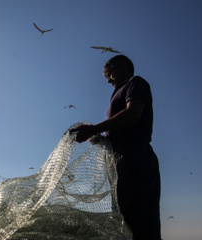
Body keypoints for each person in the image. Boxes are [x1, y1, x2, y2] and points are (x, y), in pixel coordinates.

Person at [70, 55, 161, 240]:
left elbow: (133, 113)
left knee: (141, 218)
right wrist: (101, 138)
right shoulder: (118, 92)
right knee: (124, 216)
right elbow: (121, 128)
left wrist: (94, 128)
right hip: (119, 160)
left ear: (121, 66)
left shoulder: (135, 83)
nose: (109, 80)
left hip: (135, 157)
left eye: (109, 74)